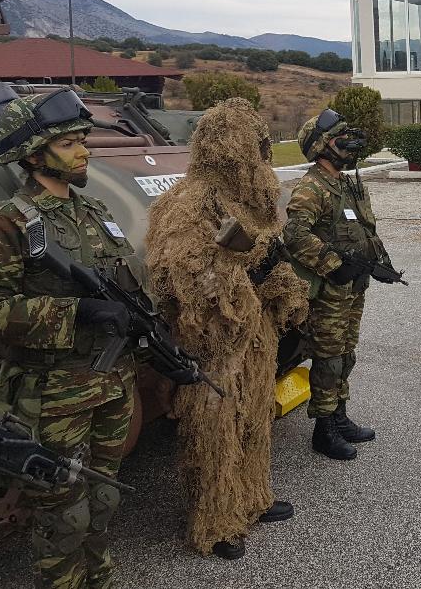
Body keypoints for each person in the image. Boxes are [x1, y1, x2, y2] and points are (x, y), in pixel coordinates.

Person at [0, 89, 138, 588]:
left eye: (84, 139)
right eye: (68, 143)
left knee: (104, 496)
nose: (84, 151)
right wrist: (75, 312)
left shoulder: (93, 210)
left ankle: (99, 574)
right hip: (54, 392)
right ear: (35, 154)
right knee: (63, 510)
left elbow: (122, 283)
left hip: (111, 380)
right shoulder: (6, 221)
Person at [144, 97, 306, 560]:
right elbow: (179, 274)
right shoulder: (191, 202)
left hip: (256, 337)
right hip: (216, 345)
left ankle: (252, 498)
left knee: (256, 419)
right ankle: (214, 522)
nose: (263, 157)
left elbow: (270, 255)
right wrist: (241, 275)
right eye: (255, 148)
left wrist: (283, 287)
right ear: (231, 150)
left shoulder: (248, 202)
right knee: (213, 434)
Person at [284, 109, 383, 460]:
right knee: (327, 358)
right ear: (323, 146)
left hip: (353, 286)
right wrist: (332, 265)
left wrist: (376, 262)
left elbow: (364, 230)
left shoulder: (346, 182)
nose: (350, 141)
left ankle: (339, 417)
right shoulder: (312, 187)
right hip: (329, 291)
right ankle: (323, 429)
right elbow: (295, 234)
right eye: (341, 136)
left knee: (346, 353)